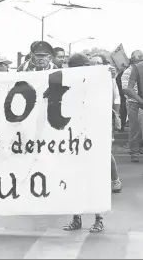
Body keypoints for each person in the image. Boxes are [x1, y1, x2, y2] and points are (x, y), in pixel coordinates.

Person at [63, 53, 120, 233]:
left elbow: (111, 94)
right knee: (76, 179)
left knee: (94, 178)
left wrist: (109, 74)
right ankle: (76, 218)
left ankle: (98, 219)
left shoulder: (98, 80)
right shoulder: (69, 82)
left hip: (94, 134)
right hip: (75, 135)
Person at [89, 54, 122, 193]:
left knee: (105, 152)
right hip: (87, 119)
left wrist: (116, 116)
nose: (96, 65)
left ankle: (115, 179)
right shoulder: (85, 78)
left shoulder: (110, 79)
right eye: (93, 63)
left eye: (99, 63)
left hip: (103, 118)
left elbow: (116, 98)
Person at [122, 50, 143, 163]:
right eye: (139, 59)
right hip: (134, 103)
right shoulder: (128, 72)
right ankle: (134, 152)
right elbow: (126, 89)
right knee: (135, 129)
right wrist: (139, 99)